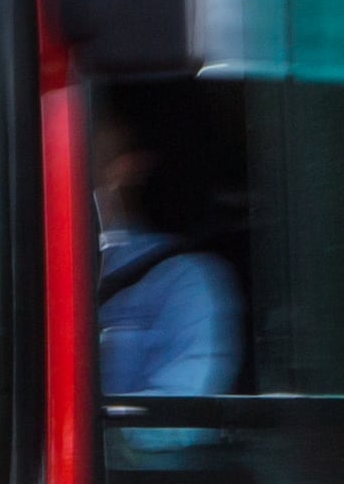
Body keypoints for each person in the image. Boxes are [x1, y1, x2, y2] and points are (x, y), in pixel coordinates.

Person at [93, 111, 238, 449]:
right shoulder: (26, 280)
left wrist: (89, 438)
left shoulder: (185, 281)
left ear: (128, 169)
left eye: (92, 160)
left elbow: (181, 419)